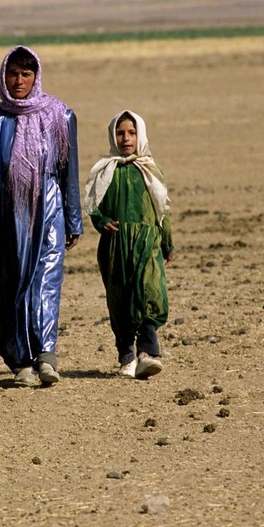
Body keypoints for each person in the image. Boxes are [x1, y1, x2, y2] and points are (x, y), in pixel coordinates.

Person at [0, 45, 82, 386]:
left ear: (36, 77)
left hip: (48, 209)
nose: (19, 80)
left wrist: (73, 219)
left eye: (26, 74)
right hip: (5, 213)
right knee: (3, 284)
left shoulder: (60, 117)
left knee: (44, 281)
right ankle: (20, 361)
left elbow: (69, 172)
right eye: (13, 74)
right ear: (3, 76)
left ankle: (46, 357)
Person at [84, 110, 175, 379]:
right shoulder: (105, 170)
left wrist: (167, 243)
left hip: (148, 244)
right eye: (121, 133)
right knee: (120, 299)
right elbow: (93, 206)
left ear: (140, 135)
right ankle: (126, 356)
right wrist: (101, 222)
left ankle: (148, 353)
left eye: (132, 133)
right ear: (113, 136)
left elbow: (162, 210)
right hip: (115, 247)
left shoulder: (150, 169)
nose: (126, 138)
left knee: (149, 294)